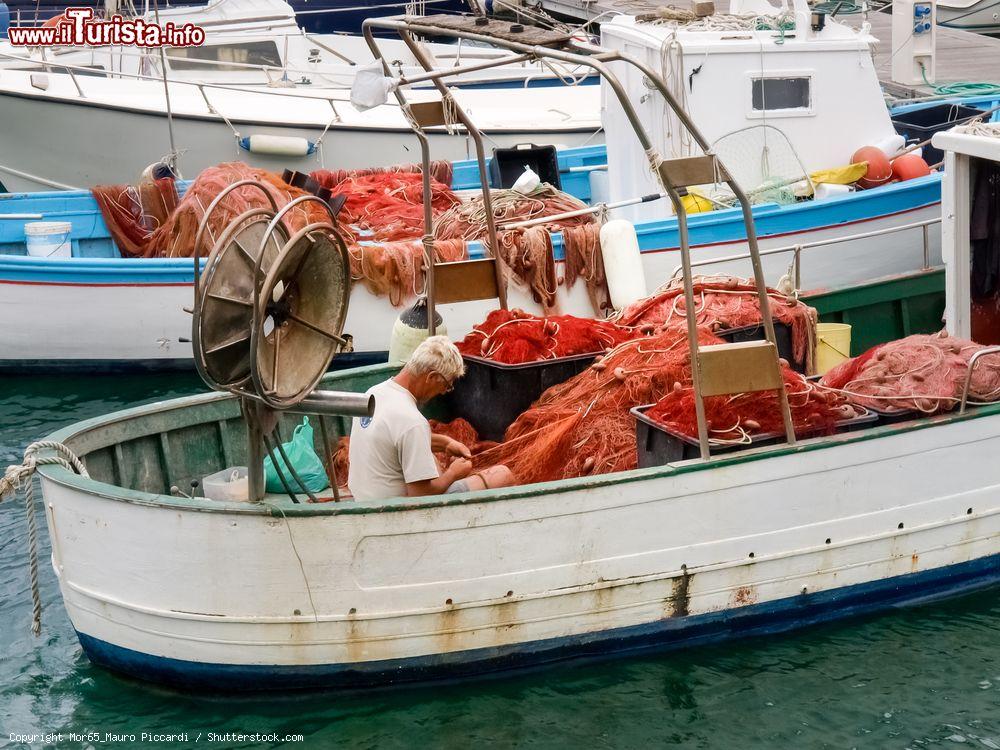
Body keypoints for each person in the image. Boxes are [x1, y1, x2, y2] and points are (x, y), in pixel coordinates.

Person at [347, 336, 515, 501]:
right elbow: (420, 496)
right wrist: (453, 473)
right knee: (502, 475)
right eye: (447, 385)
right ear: (431, 377)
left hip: (363, 500)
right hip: (396, 513)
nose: (443, 391)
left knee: (430, 461)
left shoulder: (372, 393)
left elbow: (397, 439)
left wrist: (445, 443)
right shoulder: (412, 420)